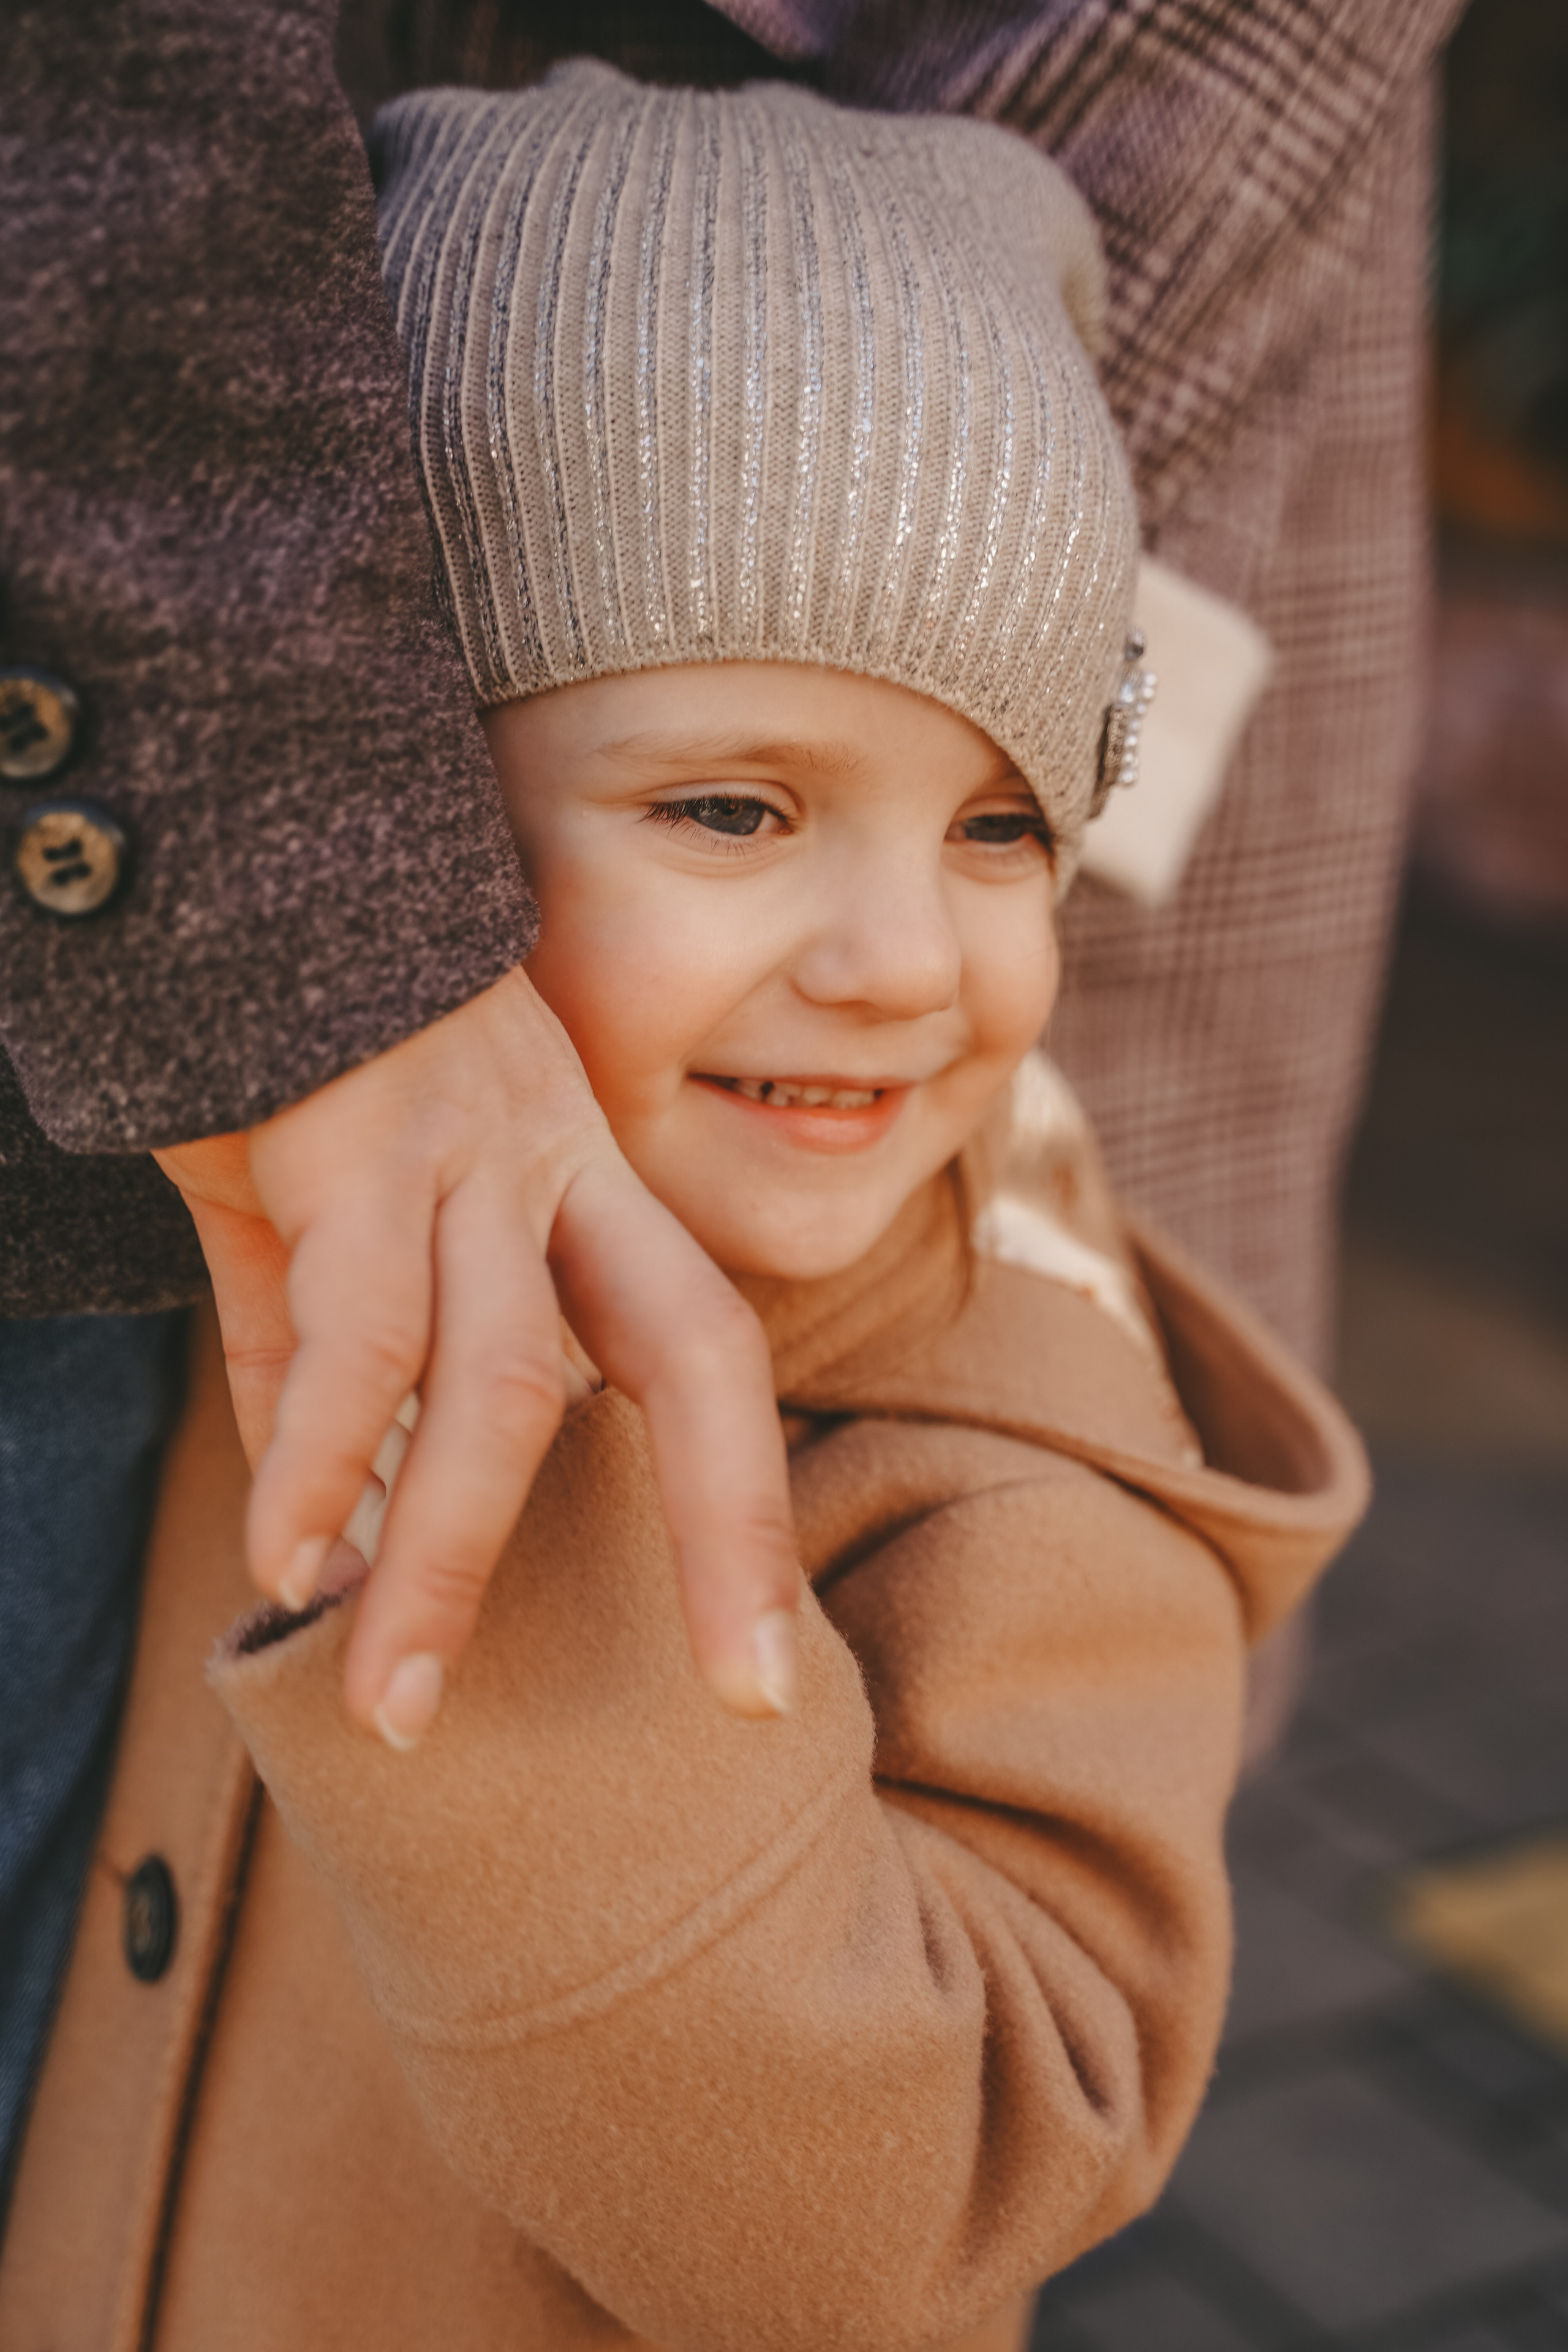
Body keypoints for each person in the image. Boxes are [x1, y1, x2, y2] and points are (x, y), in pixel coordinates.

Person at [0, 70, 1368, 2350]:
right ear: (401, 830)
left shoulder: (1027, 1479)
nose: (905, 960)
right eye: (735, 811)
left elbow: (922, 2208)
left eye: (1002, 827)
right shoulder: (275, 1193)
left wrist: (531, 1557)